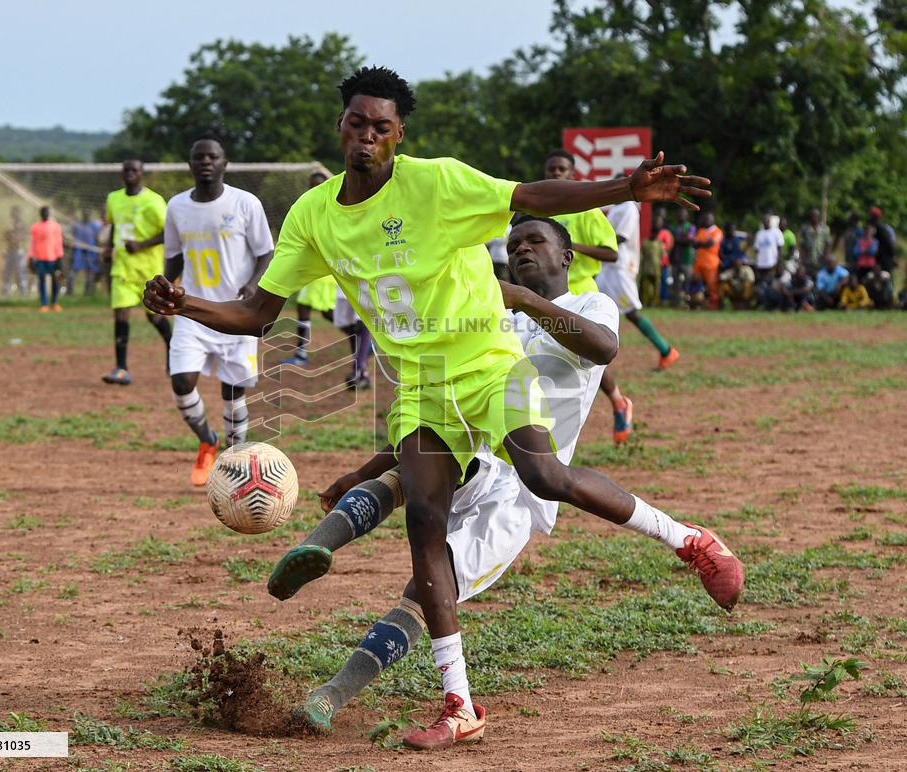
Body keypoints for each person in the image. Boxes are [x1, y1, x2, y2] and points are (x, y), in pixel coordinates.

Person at [143, 66, 714, 748]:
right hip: (418, 385)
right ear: (342, 127)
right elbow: (257, 312)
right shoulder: (314, 216)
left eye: (382, 127)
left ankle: (689, 541)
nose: (368, 137)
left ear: (398, 135)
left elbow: (534, 194)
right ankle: (459, 705)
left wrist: (626, 187)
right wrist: (186, 306)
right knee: (424, 526)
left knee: (544, 476)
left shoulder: (438, 183)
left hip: (487, 366)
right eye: (358, 123)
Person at [271, 216, 744, 739]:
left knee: (428, 588)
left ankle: (343, 694)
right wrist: (363, 469)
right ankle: (316, 548)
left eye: (535, 241)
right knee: (419, 465)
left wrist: (522, 300)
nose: (521, 248)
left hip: (522, 491)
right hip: (479, 456)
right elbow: (447, 409)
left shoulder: (589, 303)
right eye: (514, 243)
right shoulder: (486, 317)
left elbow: (603, 348)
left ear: (565, 257)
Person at [164, 136, 275, 486]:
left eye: (213, 156)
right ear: (191, 164)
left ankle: (235, 462)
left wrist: (255, 284)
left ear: (224, 163)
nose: (206, 162)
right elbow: (173, 258)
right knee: (182, 382)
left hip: (235, 314)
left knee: (233, 392)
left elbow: (266, 253)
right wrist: (162, 290)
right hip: (192, 310)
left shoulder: (245, 203)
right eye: (199, 157)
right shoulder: (177, 207)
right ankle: (207, 440)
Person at [541, 149, 633, 444]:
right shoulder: (540, 211)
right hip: (545, 293)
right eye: (551, 170)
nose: (555, 174)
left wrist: (571, 246)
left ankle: (618, 403)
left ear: (572, 175)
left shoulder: (588, 211)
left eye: (561, 170)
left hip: (580, 290)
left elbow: (611, 251)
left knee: (587, 358)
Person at [102, 159, 172, 385]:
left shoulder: (154, 201)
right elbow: (114, 226)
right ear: (122, 174)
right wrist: (109, 248)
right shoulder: (114, 198)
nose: (130, 173)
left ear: (142, 174)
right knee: (121, 315)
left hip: (148, 271)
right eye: (126, 170)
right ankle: (121, 368)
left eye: (135, 170)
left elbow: (169, 232)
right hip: (122, 268)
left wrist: (141, 245)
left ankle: (173, 350)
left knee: (155, 317)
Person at [599, 194, 680, 369]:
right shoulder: (615, 208)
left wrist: (589, 244)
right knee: (596, 309)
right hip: (606, 267)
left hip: (620, 267)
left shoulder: (629, 207)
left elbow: (621, 237)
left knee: (631, 312)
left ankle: (666, 350)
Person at [282, 172, 340, 367]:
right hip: (315, 271)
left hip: (323, 271)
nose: (315, 188)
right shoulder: (307, 207)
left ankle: (362, 337)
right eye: (312, 185)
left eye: (319, 184)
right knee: (311, 310)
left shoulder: (331, 209)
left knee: (322, 312)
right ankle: (301, 352)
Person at [28, 206, 64, 312]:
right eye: (43, 212)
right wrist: (30, 256)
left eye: (47, 212)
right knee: (42, 280)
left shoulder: (56, 226)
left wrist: (60, 257)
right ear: (40, 214)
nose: (45, 214)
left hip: (53, 258)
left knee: (55, 280)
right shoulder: (35, 227)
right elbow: (32, 243)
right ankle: (44, 304)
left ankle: (55, 303)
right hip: (40, 258)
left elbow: (59, 242)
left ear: (49, 214)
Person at [692, 211, 723, 309]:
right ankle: (697, 303)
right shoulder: (701, 230)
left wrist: (700, 243)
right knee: (696, 283)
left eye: (709, 219)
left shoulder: (717, 231)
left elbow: (710, 244)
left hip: (711, 263)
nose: (707, 221)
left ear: (713, 220)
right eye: (706, 219)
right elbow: (695, 244)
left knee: (712, 285)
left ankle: (714, 305)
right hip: (699, 262)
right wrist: (702, 243)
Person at [69, 210, 102, 296]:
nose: (85, 215)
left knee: (90, 273)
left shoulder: (94, 226)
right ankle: (69, 292)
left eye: (87, 214)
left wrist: (98, 254)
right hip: (78, 252)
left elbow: (97, 239)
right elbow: (73, 240)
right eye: (84, 214)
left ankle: (88, 293)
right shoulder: (77, 226)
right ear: (82, 215)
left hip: (90, 252)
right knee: (72, 272)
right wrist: (71, 254)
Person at [670, 208, 696, 306]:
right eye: (680, 214)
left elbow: (689, 240)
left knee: (688, 282)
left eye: (683, 214)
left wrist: (679, 239)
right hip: (676, 259)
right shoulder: (674, 228)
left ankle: (687, 302)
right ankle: (676, 303)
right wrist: (683, 238)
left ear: (687, 216)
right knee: (676, 283)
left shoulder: (691, 227)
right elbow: (673, 240)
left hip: (687, 259)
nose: (681, 216)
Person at [1, 206, 28, 297]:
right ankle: (5, 293)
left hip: (19, 251)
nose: (14, 214)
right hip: (9, 251)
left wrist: (16, 238)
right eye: (13, 213)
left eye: (16, 212)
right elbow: (5, 236)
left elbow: (24, 237)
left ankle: (23, 293)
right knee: (7, 273)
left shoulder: (22, 224)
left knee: (20, 273)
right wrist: (9, 236)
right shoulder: (10, 224)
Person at [753, 212, 785, 285]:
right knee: (762, 284)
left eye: (767, 220)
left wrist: (779, 263)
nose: (765, 222)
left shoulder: (776, 232)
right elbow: (756, 250)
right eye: (764, 220)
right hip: (761, 265)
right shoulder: (759, 234)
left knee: (771, 284)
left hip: (772, 264)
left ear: (770, 221)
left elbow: (780, 249)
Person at [799, 208, 830, 274]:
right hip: (808, 260)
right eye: (813, 216)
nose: (814, 218)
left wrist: (825, 256)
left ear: (819, 217)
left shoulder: (825, 228)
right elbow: (801, 245)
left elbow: (828, 244)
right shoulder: (805, 228)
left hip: (820, 260)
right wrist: (802, 258)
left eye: (816, 216)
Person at [639, 222, 663, 308]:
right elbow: (642, 255)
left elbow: (661, 255)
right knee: (646, 288)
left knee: (656, 288)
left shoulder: (659, 243)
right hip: (646, 268)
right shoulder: (645, 242)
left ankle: (654, 303)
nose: (655, 235)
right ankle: (645, 303)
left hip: (657, 269)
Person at [868, 207, 896, 274]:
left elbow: (888, 243)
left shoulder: (880, 227)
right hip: (879, 257)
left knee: (885, 276)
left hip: (884, 258)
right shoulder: (876, 226)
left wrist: (892, 256)